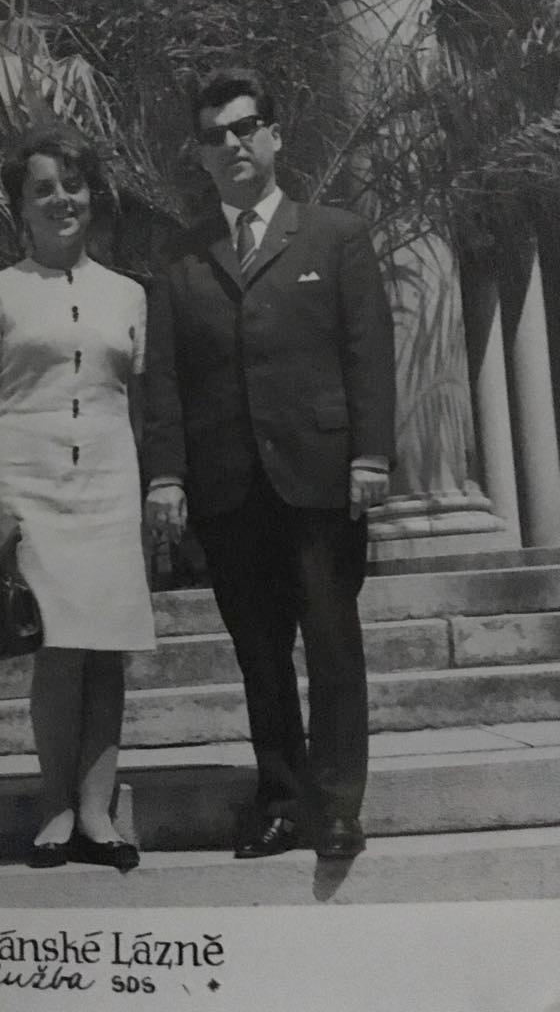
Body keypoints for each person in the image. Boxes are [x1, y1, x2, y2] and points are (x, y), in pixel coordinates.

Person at [143, 68, 396, 860]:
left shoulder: (336, 235)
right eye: (215, 136)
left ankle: (339, 807)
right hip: (227, 486)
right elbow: (165, 378)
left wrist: (371, 455)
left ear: (276, 136)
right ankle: (283, 801)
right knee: (260, 654)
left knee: (332, 642)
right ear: (200, 155)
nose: (233, 144)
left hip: (320, 479)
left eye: (246, 128)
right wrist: (167, 475)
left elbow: (367, 351)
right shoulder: (180, 258)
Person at [0, 124, 155, 871]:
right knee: (60, 647)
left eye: (73, 184)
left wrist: (154, 485)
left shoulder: (129, 293)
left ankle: (99, 811)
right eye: (43, 189)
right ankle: (57, 806)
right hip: (25, 478)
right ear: (21, 207)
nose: (61, 199)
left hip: (107, 478)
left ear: (93, 196)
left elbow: (140, 401)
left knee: (107, 647)